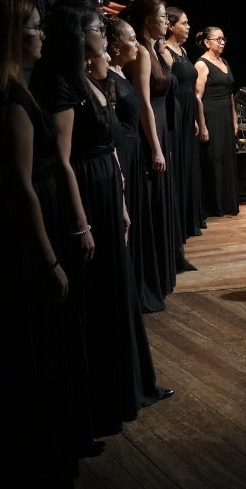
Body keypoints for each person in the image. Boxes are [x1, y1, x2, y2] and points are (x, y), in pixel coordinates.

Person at [0, 0, 87, 489]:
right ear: (10, 35)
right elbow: (19, 187)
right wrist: (49, 260)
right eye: (33, 27)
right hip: (21, 244)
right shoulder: (9, 96)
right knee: (28, 344)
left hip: (6, 237)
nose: (42, 34)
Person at [33, 0, 171, 442]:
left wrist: (123, 203)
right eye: (97, 29)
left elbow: (107, 143)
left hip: (107, 189)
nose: (104, 36)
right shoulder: (61, 83)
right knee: (96, 295)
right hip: (86, 193)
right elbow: (62, 160)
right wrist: (81, 223)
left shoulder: (91, 78)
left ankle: (129, 387)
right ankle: (100, 401)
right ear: (79, 36)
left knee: (117, 288)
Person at [122, 0, 183, 312]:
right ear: (147, 20)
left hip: (160, 128)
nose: (166, 22)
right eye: (162, 17)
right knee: (151, 201)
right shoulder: (142, 53)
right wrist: (156, 147)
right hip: (150, 132)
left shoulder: (153, 49)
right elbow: (143, 102)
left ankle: (160, 272)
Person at [104, 17, 161, 314]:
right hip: (121, 151)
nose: (136, 45)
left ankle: (138, 284)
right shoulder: (107, 78)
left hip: (134, 149)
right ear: (115, 46)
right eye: (131, 39)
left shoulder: (120, 73)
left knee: (136, 215)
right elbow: (108, 126)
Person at [165, 6, 205, 236]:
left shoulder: (182, 50)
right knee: (179, 163)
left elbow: (190, 86)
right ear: (171, 26)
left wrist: (195, 119)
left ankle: (190, 218)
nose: (188, 27)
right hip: (176, 111)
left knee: (189, 163)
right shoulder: (165, 51)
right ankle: (179, 221)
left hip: (189, 112)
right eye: (184, 23)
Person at [195, 25, 240, 218]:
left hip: (225, 117)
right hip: (211, 116)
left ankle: (227, 203)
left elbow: (230, 94)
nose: (222, 42)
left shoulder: (224, 62)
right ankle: (214, 205)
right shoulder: (201, 64)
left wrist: (234, 119)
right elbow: (197, 97)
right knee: (213, 160)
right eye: (218, 39)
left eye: (224, 39)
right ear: (207, 42)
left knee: (226, 158)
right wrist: (202, 125)